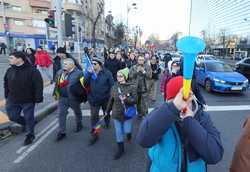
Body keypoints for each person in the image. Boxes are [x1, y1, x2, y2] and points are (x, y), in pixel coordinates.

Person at [136, 76, 224, 172]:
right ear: (167, 102)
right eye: (176, 101)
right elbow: (143, 139)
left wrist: (190, 121)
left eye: (185, 100)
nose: (182, 106)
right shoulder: (160, 115)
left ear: (192, 97)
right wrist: (173, 108)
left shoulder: (202, 117)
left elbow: (214, 155)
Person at [4, 51, 43, 145]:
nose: (9, 60)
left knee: (29, 117)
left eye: (11, 58)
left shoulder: (32, 70)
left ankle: (30, 135)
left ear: (20, 59)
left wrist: (38, 98)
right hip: (12, 99)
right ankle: (29, 124)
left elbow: (38, 85)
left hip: (28, 99)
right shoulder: (10, 70)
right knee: (12, 116)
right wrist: (6, 95)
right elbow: (6, 83)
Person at [106, 68, 137, 160]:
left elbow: (135, 100)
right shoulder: (114, 87)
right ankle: (120, 149)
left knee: (127, 130)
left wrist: (126, 99)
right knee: (118, 132)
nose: (118, 78)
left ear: (125, 77)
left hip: (127, 114)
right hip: (116, 113)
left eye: (121, 76)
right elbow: (111, 100)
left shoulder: (132, 87)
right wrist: (107, 111)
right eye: (117, 76)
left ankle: (129, 134)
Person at [85, 54, 114, 145]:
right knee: (94, 117)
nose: (92, 65)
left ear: (100, 64)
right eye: (92, 63)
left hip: (105, 99)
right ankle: (95, 134)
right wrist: (88, 74)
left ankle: (107, 121)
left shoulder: (107, 73)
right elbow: (85, 83)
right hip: (94, 99)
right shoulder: (90, 72)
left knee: (106, 113)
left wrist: (112, 96)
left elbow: (112, 85)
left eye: (94, 63)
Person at [53, 58, 84, 141]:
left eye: (66, 64)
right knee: (61, 114)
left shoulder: (79, 73)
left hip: (74, 98)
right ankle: (62, 132)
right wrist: (55, 94)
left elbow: (84, 86)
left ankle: (79, 123)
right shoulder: (60, 72)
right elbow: (57, 84)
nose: (64, 65)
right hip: (62, 98)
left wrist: (83, 97)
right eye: (64, 64)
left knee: (77, 112)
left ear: (72, 65)